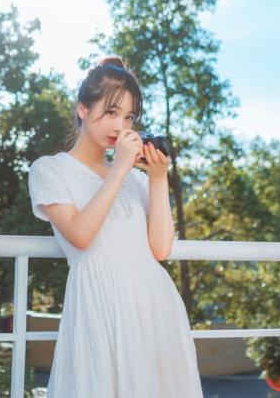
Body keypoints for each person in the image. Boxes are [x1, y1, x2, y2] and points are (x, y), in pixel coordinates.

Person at [27, 56, 203, 397]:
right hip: (98, 306)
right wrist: (120, 168)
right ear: (82, 109)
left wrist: (158, 178)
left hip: (154, 307)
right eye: (110, 112)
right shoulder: (50, 170)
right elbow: (80, 235)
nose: (119, 126)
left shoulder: (136, 180)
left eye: (128, 117)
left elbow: (161, 249)